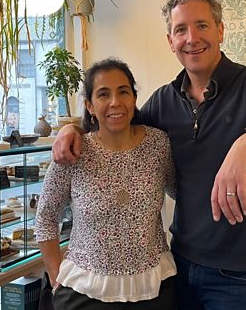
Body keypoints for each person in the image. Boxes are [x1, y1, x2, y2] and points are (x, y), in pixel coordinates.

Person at [51, 0, 246, 309]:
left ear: (220, 31)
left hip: (245, 280)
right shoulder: (164, 102)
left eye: (202, 25)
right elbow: (116, 124)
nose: (191, 38)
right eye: (181, 29)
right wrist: (73, 129)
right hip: (180, 269)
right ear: (171, 41)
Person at [35, 58, 177, 310]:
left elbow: (179, 191)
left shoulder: (158, 145)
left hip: (153, 287)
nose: (115, 102)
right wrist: (56, 277)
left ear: (134, 98)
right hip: (84, 292)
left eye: (123, 92)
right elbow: (45, 217)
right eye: (103, 94)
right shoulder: (73, 152)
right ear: (89, 105)